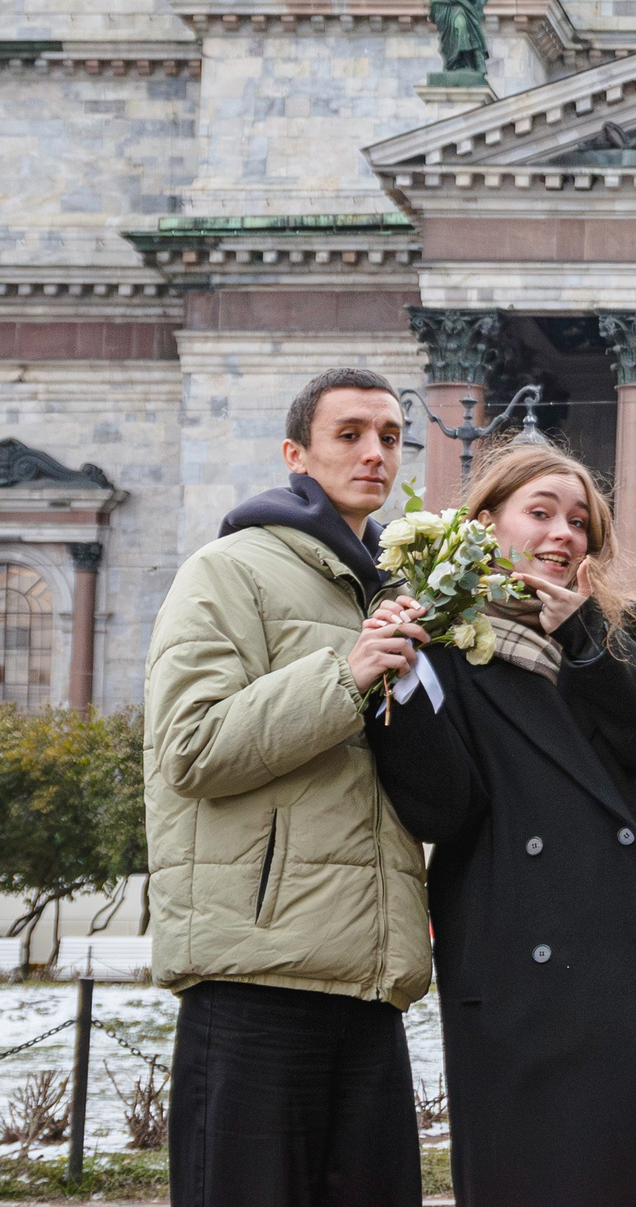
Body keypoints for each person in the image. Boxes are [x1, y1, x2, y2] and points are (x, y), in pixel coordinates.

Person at [365, 445, 636, 1207]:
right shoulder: (443, 645)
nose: (564, 533)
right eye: (541, 513)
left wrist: (587, 638)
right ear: (484, 525)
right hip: (518, 981)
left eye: (579, 522)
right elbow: (443, 808)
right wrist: (397, 681)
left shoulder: (627, 630)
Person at [145, 368, 431, 1207]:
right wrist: (346, 674)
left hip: (370, 980)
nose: (375, 453)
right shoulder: (227, 570)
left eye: (390, 437)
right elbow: (191, 748)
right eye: (350, 434)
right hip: (255, 976)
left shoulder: (397, 591)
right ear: (295, 455)